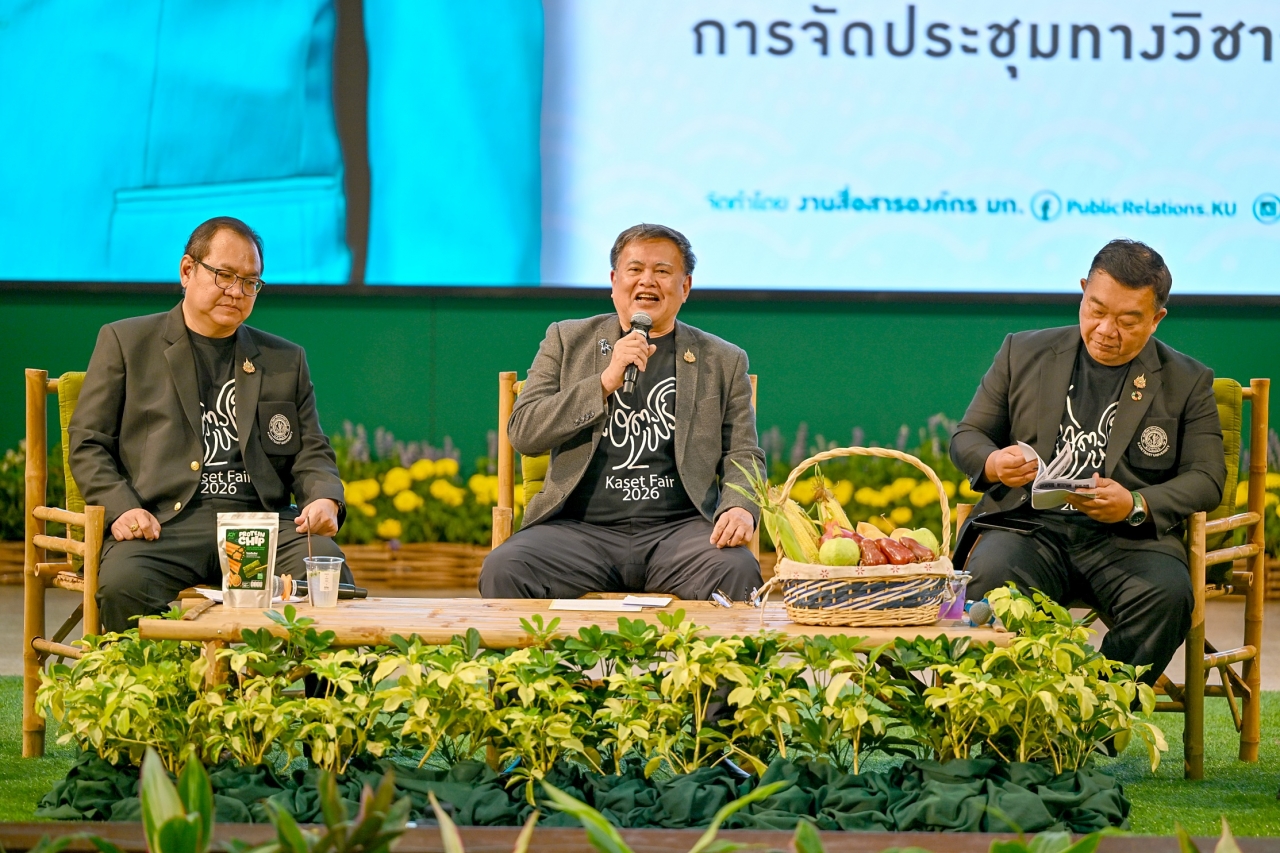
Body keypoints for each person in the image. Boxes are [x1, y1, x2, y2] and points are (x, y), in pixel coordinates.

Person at [951, 239, 1225, 682]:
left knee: (1168, 596)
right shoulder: (1023, 352)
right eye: (1096, 310)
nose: (1105, 330)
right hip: (1029, 529)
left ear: (1156, 319)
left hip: (1129, 541)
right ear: (1083, 291)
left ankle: (1096, 705)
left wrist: (1135, 504)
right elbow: (968, 436)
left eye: (1127, 321)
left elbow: (1207, 477)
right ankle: (1009, 710)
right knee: (988, 580)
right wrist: (994, 462)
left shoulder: (1187, 380)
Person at [70, 216, 350, 632]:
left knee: (330, 576)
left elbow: (310, 449)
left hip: (259, 524)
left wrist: (324, 498)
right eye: (225, 275)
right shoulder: (126, 343)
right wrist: (122, 508)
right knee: (124, 583)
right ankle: (144, 678)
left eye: (250, 282)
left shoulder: (284, 360)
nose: (236, 291)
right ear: (187, 270)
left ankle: (294, 678)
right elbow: (88, 443)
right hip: (163, 524)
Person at [480, 224, 765, 601]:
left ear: (685, 287)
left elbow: (743, 453)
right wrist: (603, 382)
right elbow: (524, 432)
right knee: (506, 568)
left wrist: (740, 507)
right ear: (614, 282)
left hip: (680, 534)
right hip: (577, 533)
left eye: (662, 271)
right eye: (635, 269)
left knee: (736, 569)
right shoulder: (566, 340)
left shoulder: (723, 360)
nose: (647, 280)